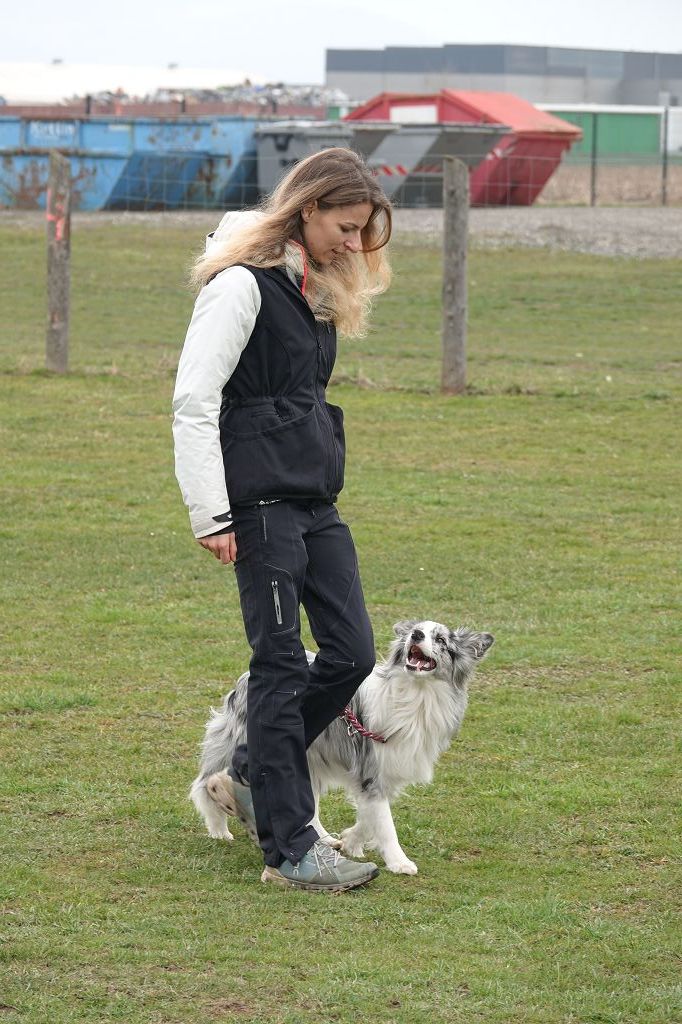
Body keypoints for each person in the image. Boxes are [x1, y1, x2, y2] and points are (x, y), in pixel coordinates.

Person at [172, 148, 392, 892]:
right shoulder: (240, 285)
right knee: (278, 664)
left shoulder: (312, 289)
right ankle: (292, 850)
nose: (353, 244)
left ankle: (248, 772)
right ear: (307, 209)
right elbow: (194, 401)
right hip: (258, 505)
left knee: (352, 652)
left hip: (315, 501)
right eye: (345, 226)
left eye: (362, 231)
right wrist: (210, 511)